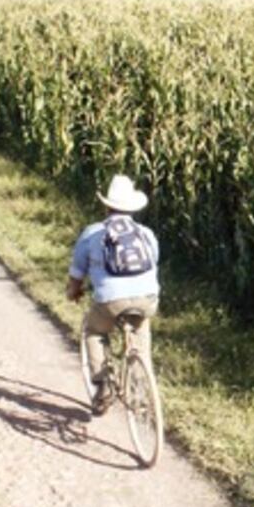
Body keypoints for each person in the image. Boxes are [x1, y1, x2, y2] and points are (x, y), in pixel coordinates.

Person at [66, 174, 160, 414]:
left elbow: (77, 273)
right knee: (141, 332)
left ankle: (103, 384)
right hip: (147, 298)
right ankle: (140, 388)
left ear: (107, 205)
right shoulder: (146, 233)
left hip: (110, 300)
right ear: (132, 209)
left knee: (94, 331)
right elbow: (153, 263)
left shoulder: (92, 233)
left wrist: (74, 292)